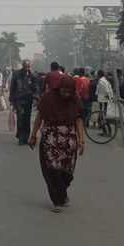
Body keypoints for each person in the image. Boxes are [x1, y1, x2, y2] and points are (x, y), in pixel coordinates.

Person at [28, 75, 85, 213]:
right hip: (50, 137)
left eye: (69, 92)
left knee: (67, 171)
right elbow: (40, 116)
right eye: (63, 91)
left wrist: (81, 140)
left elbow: (78, 120)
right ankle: (57, 200)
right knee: (52, 169)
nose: (66, 94)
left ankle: (62, 193)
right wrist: (33, 135)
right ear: (58, 88)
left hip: (68, 138)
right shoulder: (48, 97)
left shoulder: (75, 100)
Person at [9, 59, 40, 145]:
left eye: (28, 67)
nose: (27, 68)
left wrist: (36, 97)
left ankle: (26, 137)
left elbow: (36, 87)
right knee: (20, 117)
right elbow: (12, 87)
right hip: (18, 99)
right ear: (22, 66)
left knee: (27, 118)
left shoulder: (33, 75)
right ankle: (20, 137)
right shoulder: (16, 74)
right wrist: (11, 99)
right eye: (25, 66)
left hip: (28, 99)